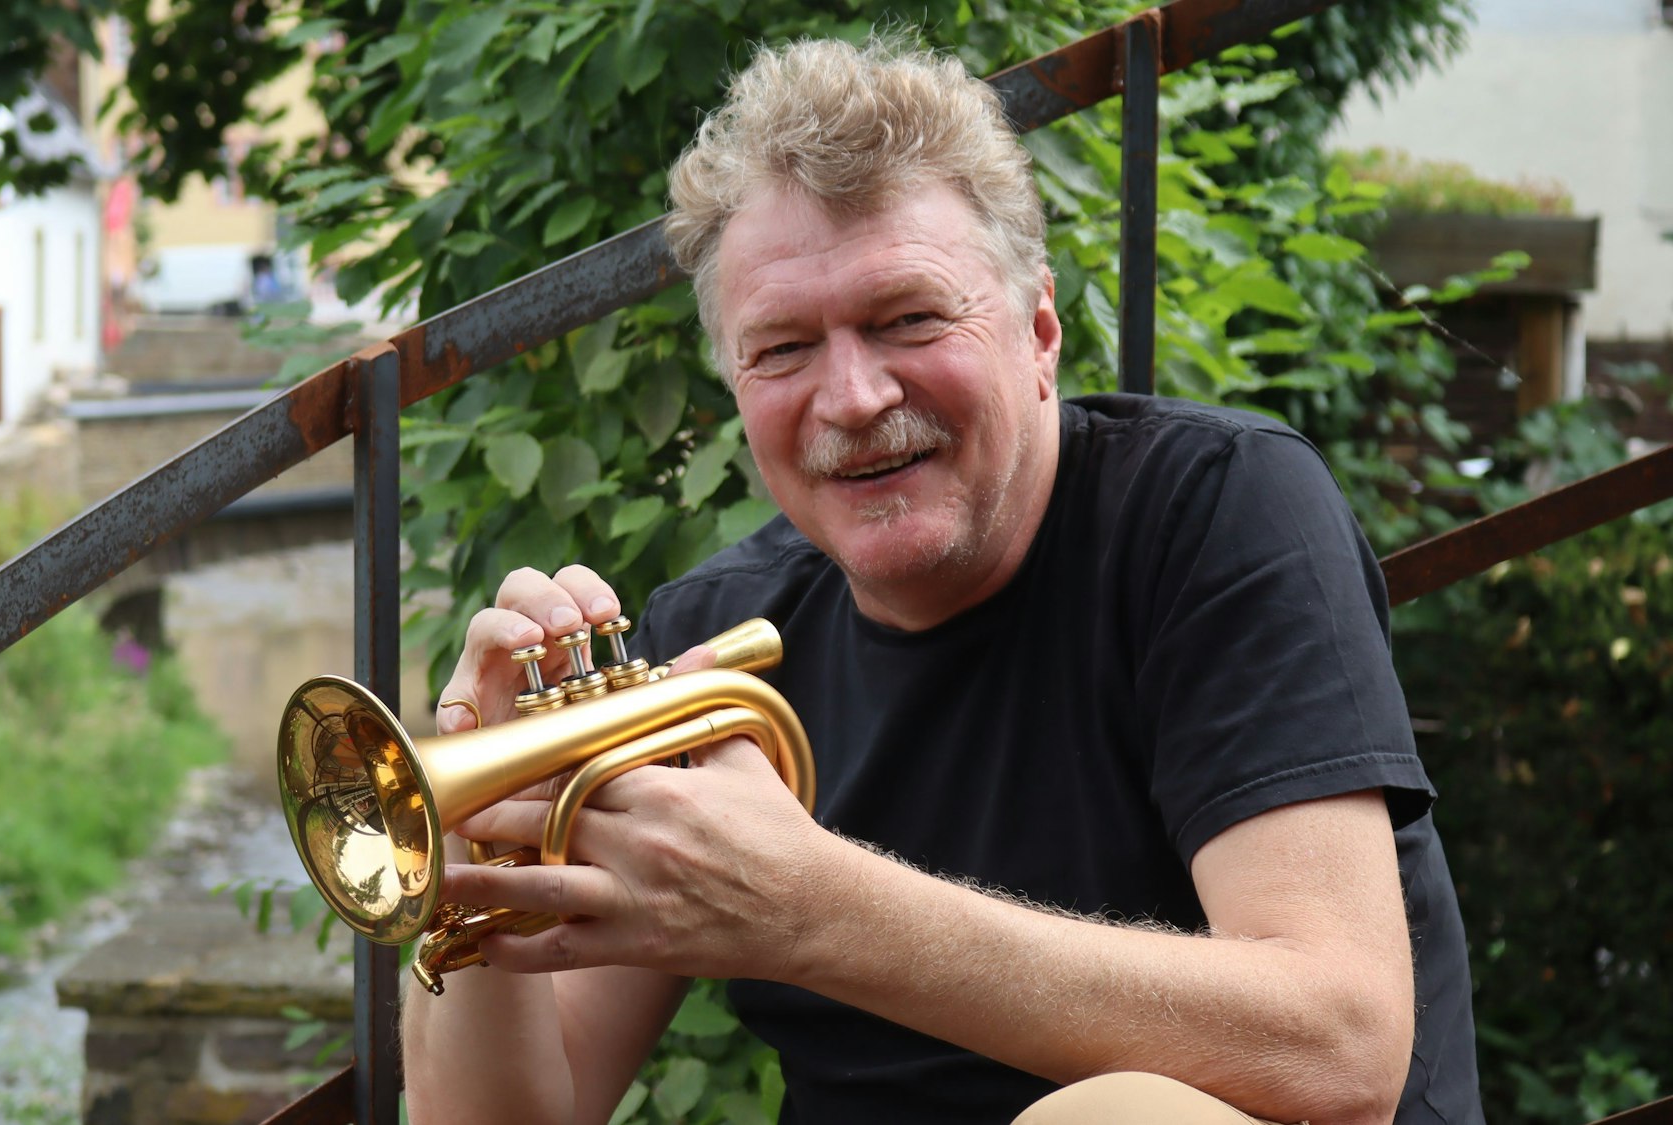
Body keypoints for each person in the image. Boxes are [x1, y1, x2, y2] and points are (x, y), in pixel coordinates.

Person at [403, 37, 1480, 1125]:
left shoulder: (1217, 511)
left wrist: (810, 906)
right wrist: (480, 843)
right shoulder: (712, 636)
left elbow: (1337, 1048)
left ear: (1040, 332)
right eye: (781, 350)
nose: (853, 397)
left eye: (908, 319)